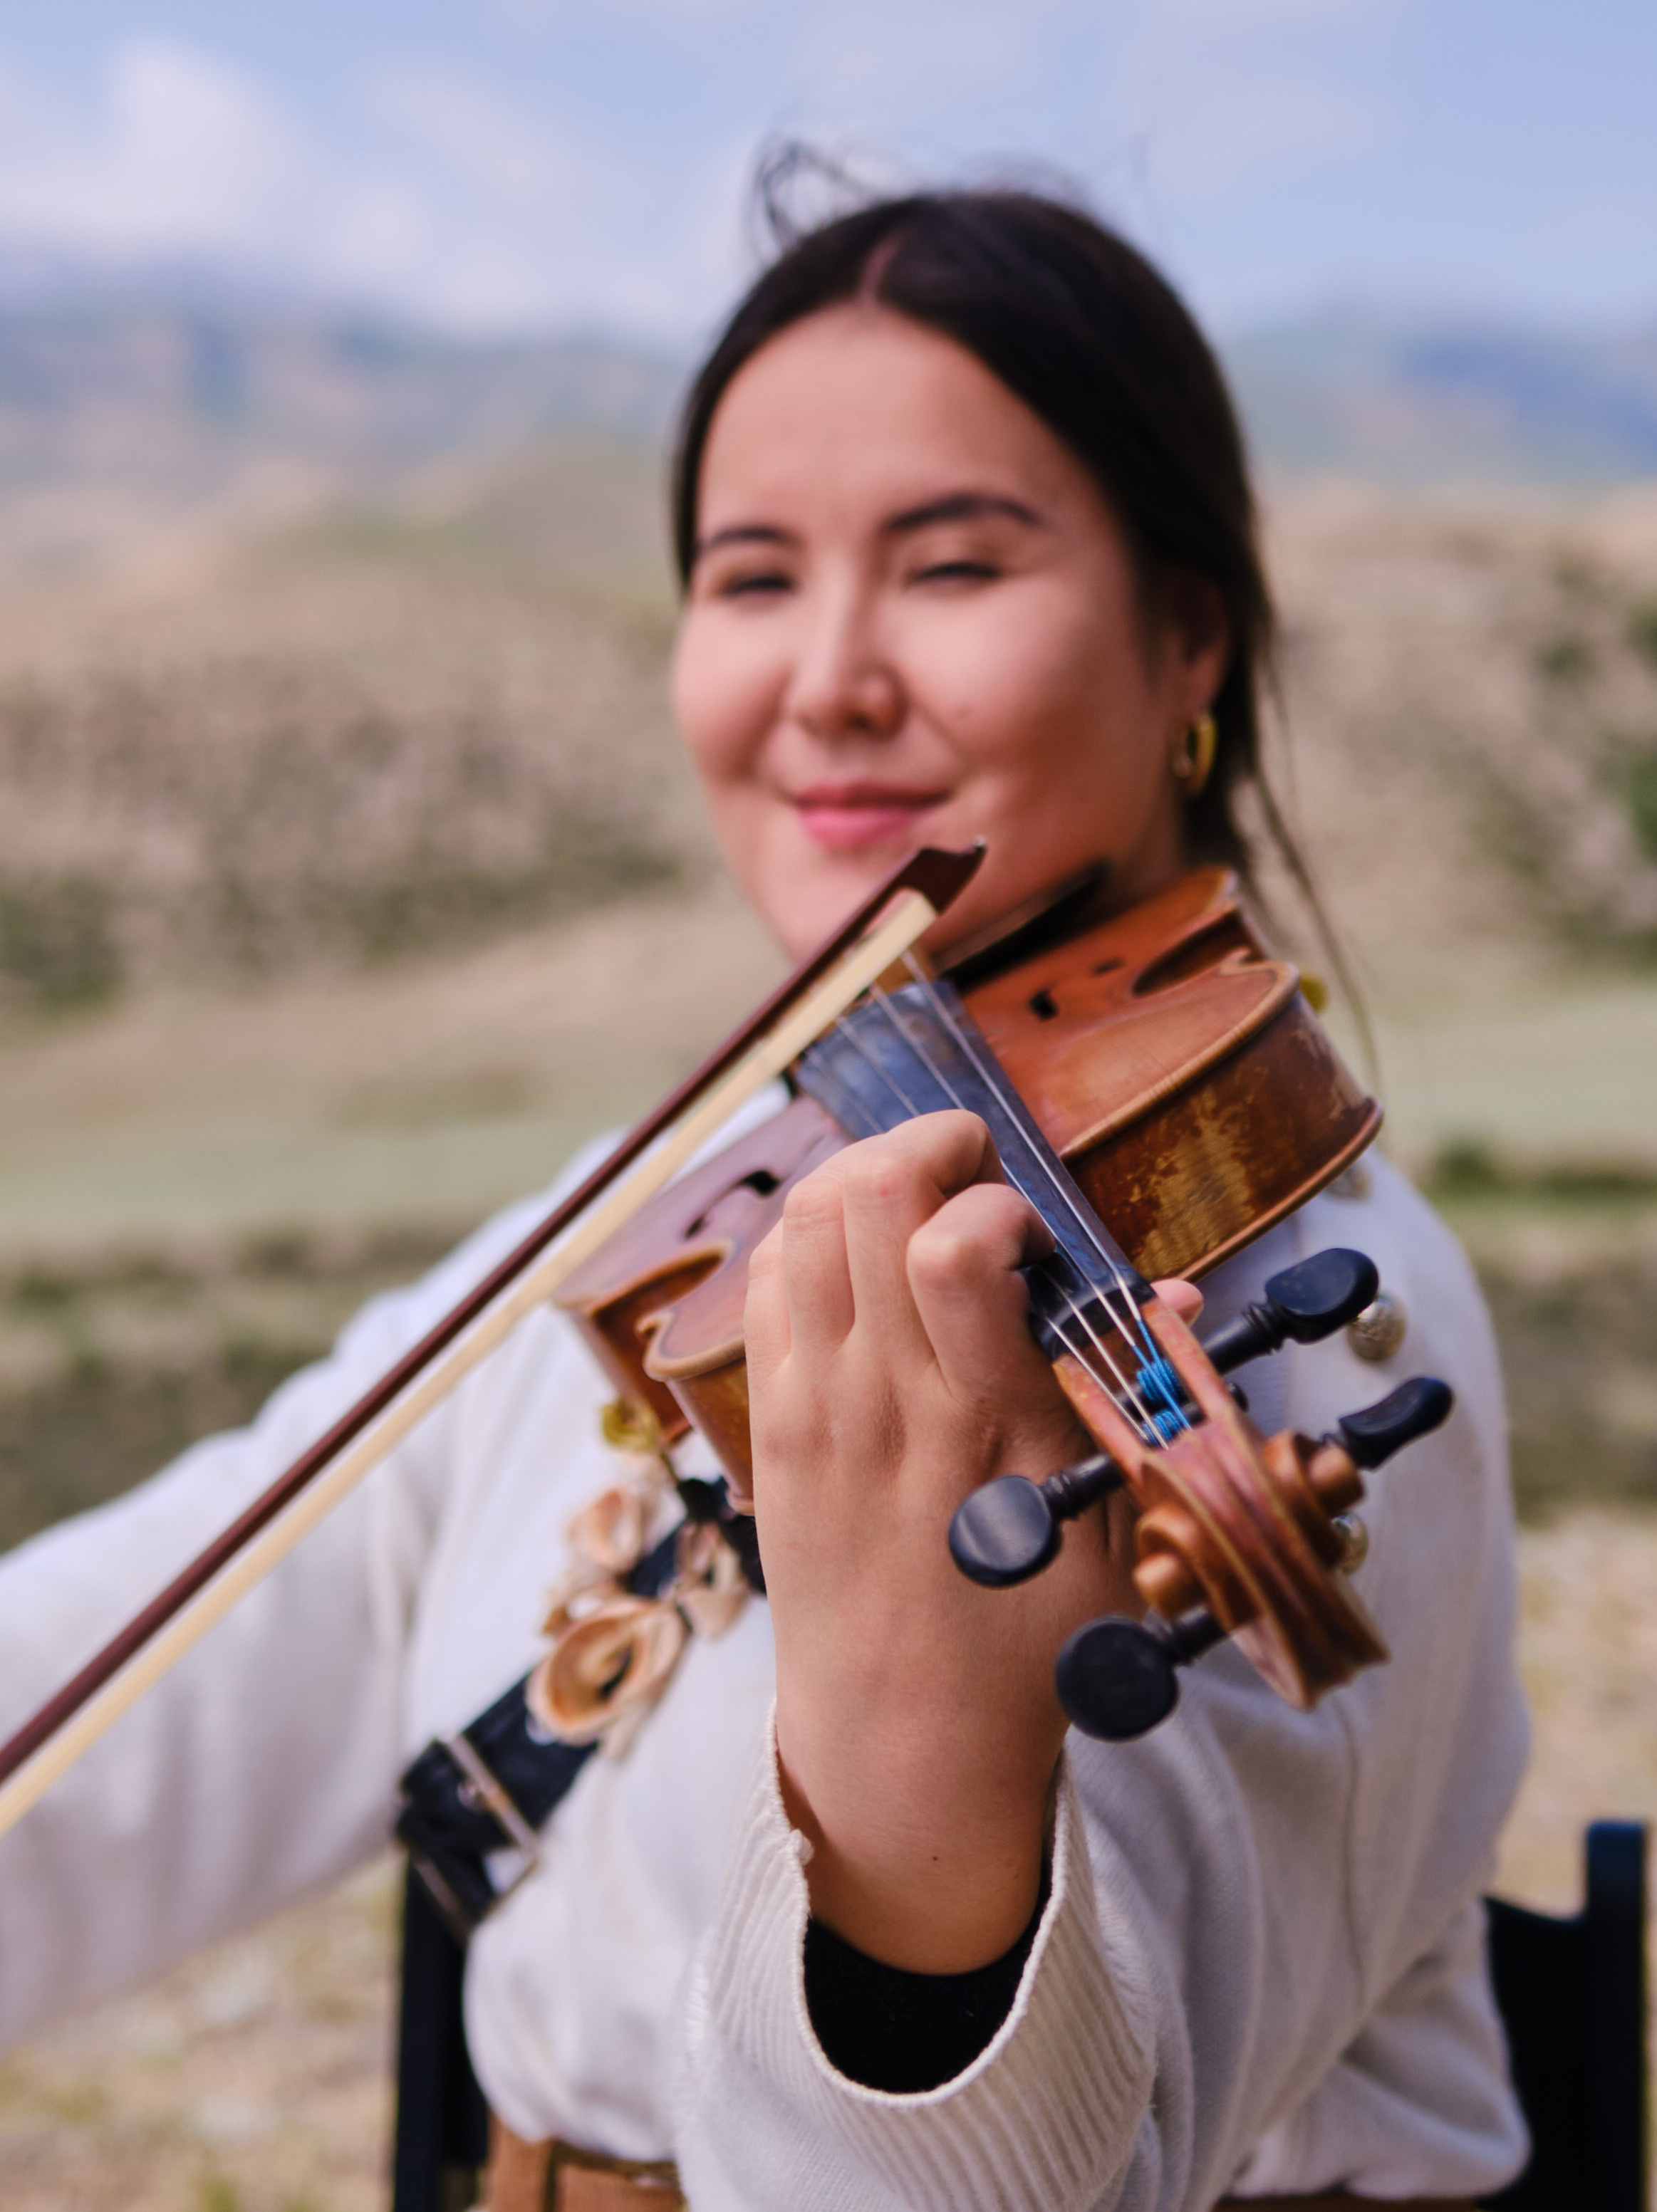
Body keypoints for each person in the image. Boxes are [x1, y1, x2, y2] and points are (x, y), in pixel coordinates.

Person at [0, 176, 1528, 2211]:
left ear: (1192, 636)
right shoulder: (679, 1209)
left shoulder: (1312, 1318)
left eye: (953, 565)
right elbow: (169, 1668)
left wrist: (924, 1821)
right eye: (749, 578)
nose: (829, 678)